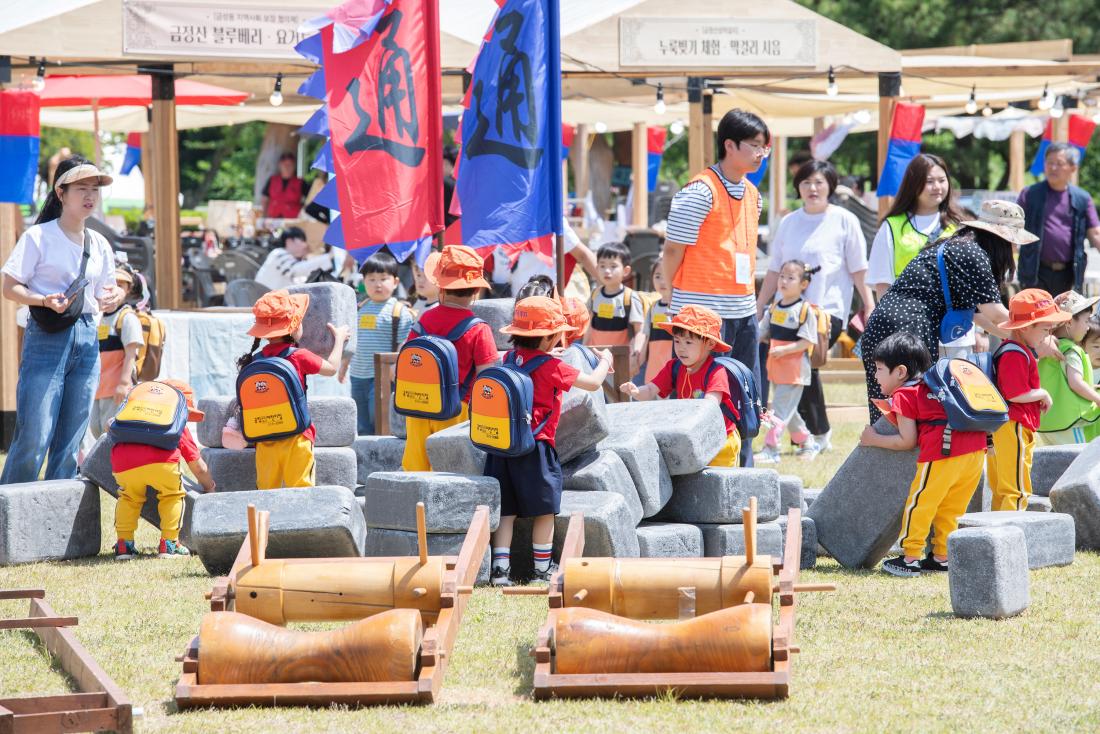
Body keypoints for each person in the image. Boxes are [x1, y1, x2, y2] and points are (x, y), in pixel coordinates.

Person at [860, 200, 1043, 424]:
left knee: (887, 410)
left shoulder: (957, 246)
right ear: (1001, 239)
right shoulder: (973, 254)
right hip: (908, 329)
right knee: (911, 411)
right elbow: (995, 313)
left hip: (883, 325)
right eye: (1014, 242)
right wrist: (1038, 337)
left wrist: (1021, 339)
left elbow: (978, 317)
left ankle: (878, 452)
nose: (1015, 250)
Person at [0, 157, 124, 483]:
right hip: (46, 335)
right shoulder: (38, 236)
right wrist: (42, 299)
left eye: (94, 190)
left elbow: (105, 292)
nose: (90, 196)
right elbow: (9, 287)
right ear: (61, 192)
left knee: (71, 440)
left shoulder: (100, 244)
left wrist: (115, 297)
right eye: (81, 188)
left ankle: (59, 521)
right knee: (34, 436)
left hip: (87, 336)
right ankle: (9, 521)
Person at [663, 109, 768, 468]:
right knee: (705, 397)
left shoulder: (754, 195)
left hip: (743, 309)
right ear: (729, 145)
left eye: (763, 147)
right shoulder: (699, 191)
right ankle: (702, 467)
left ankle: (745, 467)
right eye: (754, 146)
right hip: (701, 314)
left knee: (746, 392)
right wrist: (669, 300)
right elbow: (673, 249)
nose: (760, 154)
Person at [487, 297, 612, 587]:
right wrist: (604, 359)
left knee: (507, 510)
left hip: (503, 446)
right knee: (544, 510)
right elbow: (593, 383)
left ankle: (499, 571)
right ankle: (542, 569)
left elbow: (533, 361)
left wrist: (545, 352)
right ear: (547, 338)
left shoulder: (509, 359)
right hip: (536, 448)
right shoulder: (552, 366)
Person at [756, 159, 873, 454]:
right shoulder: (789, 222)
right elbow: (773, 270)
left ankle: (814, 435)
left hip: (826, 313)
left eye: (819, 182)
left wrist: (869, 305)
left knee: (803, 367)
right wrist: (760, 306)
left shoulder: (844, 220)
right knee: (792, 371)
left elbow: (859, 268)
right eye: (806, 182)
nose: (812, 188)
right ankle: (809, 435)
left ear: (830, 186)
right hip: (786, 311)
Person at [858, 332, 984, 578]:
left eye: (880, 369)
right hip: (975, 450)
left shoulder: (905, 394)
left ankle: (910, 557)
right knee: (951, 508)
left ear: (901, 372)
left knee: (921, 503)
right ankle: (941, 557)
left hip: (942, 453)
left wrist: (873, 439)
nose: (875, 375)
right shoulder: (935, 386)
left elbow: (907, 441)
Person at [237, 290, 350, 489]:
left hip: (264, 440)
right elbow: (331, 368)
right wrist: (339, 339)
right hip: (296, 437)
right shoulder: (298, 356)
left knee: (265, 493)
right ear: (295, 326)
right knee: (302, 493)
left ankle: (265, 522)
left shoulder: (254, 361)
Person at [401, 245, 499, 471]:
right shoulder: (479, 329)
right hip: (457, 409)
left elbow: (407, 357)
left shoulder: (425, 319)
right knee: (451, 473)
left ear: (440, 287)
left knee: (416, 469)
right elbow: (487, 377)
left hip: (418, 406)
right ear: (476, 292)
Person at [620, 305, 741, 468]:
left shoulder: (716, 372)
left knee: (720, 486)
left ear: (710, 344)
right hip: (694, 436)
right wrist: (636, 391)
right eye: (677, 341)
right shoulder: (674, 367)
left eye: (688, 342)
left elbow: (709, 407)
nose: (681, 348)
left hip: (721, 440)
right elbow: (650, 390)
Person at [111, 379, 215, 560]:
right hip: (161, 463)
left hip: (123, 462)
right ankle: (169, 544)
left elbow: (110, 426)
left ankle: (124, 545)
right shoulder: (174, 421)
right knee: (172, 495)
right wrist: (210, 487)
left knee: (128, 497)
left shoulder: (135, 412)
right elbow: (198, 467)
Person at [988, 289, 1067, 511]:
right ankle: (1013, 530)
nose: (1048, 333)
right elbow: (1013, 394)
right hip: (1013, 426)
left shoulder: (1016, 349)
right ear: (1025, 327)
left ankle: (1000, 530)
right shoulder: (1014, 353)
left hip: (1012, 426)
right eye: (1044, 328)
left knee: (1005, 487)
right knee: (1016, 487)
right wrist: (1042, 393)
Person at [867, 154, 964, 301]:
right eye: (929, 181)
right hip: (908, 319)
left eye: (942, 180)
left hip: (952, 322)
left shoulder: (959, 227)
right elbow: (882, 284)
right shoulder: (891, 227)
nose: (937, 187)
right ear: (913, 184)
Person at [755, 261, 822, 464]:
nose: (783, 281)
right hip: (776, 369)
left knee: (778, 411)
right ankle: (808, 442)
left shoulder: (804, 310)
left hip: (794, 371)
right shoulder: (774, 307)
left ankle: (771, 449)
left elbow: (808, 341)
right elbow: (762, 331)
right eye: (782, 276)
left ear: (803, 284)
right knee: (788, 412)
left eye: (790, 277)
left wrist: (785, 350)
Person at [342, 250, 415, 435]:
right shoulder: (359, 308)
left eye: (383, 278)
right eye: (372, 279)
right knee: (361, 421)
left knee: (380, 420)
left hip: (382, 376)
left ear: (395, 282)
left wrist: (395, 366)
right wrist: (344, 366)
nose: (378, 284)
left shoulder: (399, 311)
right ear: (363, 282)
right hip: (357, 375)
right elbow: (352, 341)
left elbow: (404, 343)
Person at [1017, 143, 1100, 295]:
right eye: (1050, 162)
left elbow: (1095, 234)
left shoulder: (1082, 198)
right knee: (1036, 318)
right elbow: (1012, 228)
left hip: (1069, 274)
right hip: (1034, 272)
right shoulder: (1029, 194)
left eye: (1059, 163)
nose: (1053, 168)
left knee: (1065, 318)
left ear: (1073, 168)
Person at [1037, 291, 1100, 445]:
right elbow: (1075, 383)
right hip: (1069, 423)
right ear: (1069, 322)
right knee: (1078, 465)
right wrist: (1097, 398)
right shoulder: (1071, 349)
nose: (1087, 328)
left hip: (1046, 423)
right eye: (1086, 321)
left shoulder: (1045, 348)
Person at [90, 264, 144, 438]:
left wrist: (124, 384)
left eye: (121, 285)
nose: (114, 289)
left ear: (128, 290)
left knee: (111, 432)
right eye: (113, 283)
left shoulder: (127, 317)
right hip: (99, 386)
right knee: (97, 430)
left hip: (115, 388)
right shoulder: (100, 317)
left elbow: (131, 354)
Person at [585, 242, 646, 373]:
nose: (607, 271)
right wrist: (585, 350)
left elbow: (639, 330)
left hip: (620, 361)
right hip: (596, 359)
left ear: (626, 271)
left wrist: (635, 354)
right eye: (602, 265)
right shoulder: (595, 295)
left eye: (613, 266)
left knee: (620, 392)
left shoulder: (630, 297)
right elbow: (589, 326)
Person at [255, 227, 346, 291]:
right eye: (302, 241)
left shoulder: (286, 258)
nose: (305, 245)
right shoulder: (278, 254)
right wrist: (329, 256)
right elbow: (297, 270)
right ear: (289, 241)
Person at [644, 258, 672, 383]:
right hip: (654, 369)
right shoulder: (653, 307)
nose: (662, 281)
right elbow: (646, 336)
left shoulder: (681, 307)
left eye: (666, 275)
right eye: (657, 276)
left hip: (673, 369)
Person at [261, 152, 306, 219]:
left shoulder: (300, 182)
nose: (287, 167)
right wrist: (264, 216)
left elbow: (311, 197)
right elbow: (265, 199)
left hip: (292, 220)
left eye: (290, 165)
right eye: (285, 164)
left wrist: (304, 211)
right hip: (273, 220)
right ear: (280, 165)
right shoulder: (272, 180)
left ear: (294, 166)